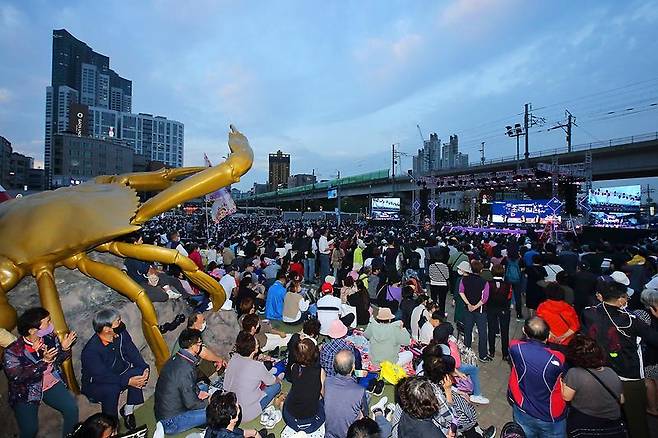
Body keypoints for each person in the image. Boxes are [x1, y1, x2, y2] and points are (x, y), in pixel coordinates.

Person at [582, 280, 658, 438]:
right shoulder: (630, 320)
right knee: (637, 420)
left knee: (606, 415)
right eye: (626, 298)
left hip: (601, 371)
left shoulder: (589, 312)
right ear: (620, 300)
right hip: (629, 374)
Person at [3, 307, 79, 438]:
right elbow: (17, 377)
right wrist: (42, 360)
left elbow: (57, 360)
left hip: (50, 383)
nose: (52, 325)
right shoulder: (12, 352)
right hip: (26, 391)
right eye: (48, 322)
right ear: (32, 330)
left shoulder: (48, 337)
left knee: (71, 409)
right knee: (30, 430)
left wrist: (64, 349)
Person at [81, 309, 149, 430]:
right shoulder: (91, 351)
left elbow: (132, 352)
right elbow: (102, 376)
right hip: (97, 383)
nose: (121, 323)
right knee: (112, 389)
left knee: (139, 371)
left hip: (119, 372)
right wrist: (127, 381)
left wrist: (144, 369)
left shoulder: (121, 334)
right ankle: (111, 426)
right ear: (107, 329)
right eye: (118, 321)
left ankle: (128, 410)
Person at [508, 316, 566, 438]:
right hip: (549, 415)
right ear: (549, 335)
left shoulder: (515, 348)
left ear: (524, 331)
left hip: (523, 408)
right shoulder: (558, 358)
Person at [561, 334, 626, 438]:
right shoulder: (611, 372)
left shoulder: (574, 373)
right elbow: (622, 400)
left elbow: (566, 397)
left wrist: (560, 381)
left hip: (586, 425)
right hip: (612, 426)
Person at [154, 329, 209, 435]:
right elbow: (191, 403)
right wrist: (209, 402)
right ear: (192, 345)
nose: (201, 345)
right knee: (215, 412)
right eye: (199, 343)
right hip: (170, 422)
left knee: (203, 388)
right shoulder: (185, 368)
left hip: (170, 407)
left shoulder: (178, 357)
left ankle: (197, 418)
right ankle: (201, 422)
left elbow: (188, 385)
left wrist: (198, 392)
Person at [223, 331, 282, 422]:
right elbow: (272, 381)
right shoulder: (257, 366)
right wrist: (278, 379)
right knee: (277, 386)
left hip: (229, 407)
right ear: (253, 349)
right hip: (246, 412)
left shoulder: (233, 358)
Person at [432, 322, 489, 405]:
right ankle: (477, 394)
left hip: (450, 370)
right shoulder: (448, 347)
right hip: (451, 370)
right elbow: (456, 364)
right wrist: (457, 372)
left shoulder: (433, 346)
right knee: (474, 369)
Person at [283, 338, 326, 433]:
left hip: (288, 414)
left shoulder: (293, 367)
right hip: (308, 421)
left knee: (294, 391)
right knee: (325, 404)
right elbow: (324, 394)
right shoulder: (320, 372)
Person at [324, 350, 370, 438]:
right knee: (367, 397)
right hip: (349, 434)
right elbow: (365, 413)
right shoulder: (359, 390)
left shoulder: (328, 381)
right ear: (353, 366)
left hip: (329, 433)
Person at [171, 313, 227, 381]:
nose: (204, 323)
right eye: (202, 321)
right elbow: (204, 353)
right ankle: (216, 381)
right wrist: (219, 359)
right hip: (181, 372)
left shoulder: (189, 333)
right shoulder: (191, 337)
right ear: (195, 323)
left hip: (183, 367)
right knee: (204, 362)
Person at [459, 260, 491, 362]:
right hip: (480, 310)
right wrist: (475, 306)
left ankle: (467, 351)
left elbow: (461, 292)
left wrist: (468, 304)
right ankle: (483, 355)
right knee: (482, 333)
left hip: (468, 309)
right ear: (481, 270)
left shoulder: (464, 280)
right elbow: (485, 298)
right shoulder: (484, 282)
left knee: (467, 330)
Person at [205, 391, 269, 438]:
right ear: (233, 419)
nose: (237, 405)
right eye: (236, 406)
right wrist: (257, 435)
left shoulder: (212, 427)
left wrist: (254, 433)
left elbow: (233, 431)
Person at [486, 264, 512, 360]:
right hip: (504, 309)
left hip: (491, 309)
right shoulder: (508, 284)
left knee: (491, 330)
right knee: (505, 331)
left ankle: (491, 351)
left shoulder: (488, 283)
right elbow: (509, 296)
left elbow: (486, 297)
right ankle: (505, 354)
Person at [428, 252, 450, 317]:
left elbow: (430, 275)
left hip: (433, 284)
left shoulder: (431, 266)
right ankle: (441, 314)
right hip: (443, 285)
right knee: (442, 300)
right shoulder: (445, 266)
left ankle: (434, 312)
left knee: (434, 299)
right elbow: (447, 277)